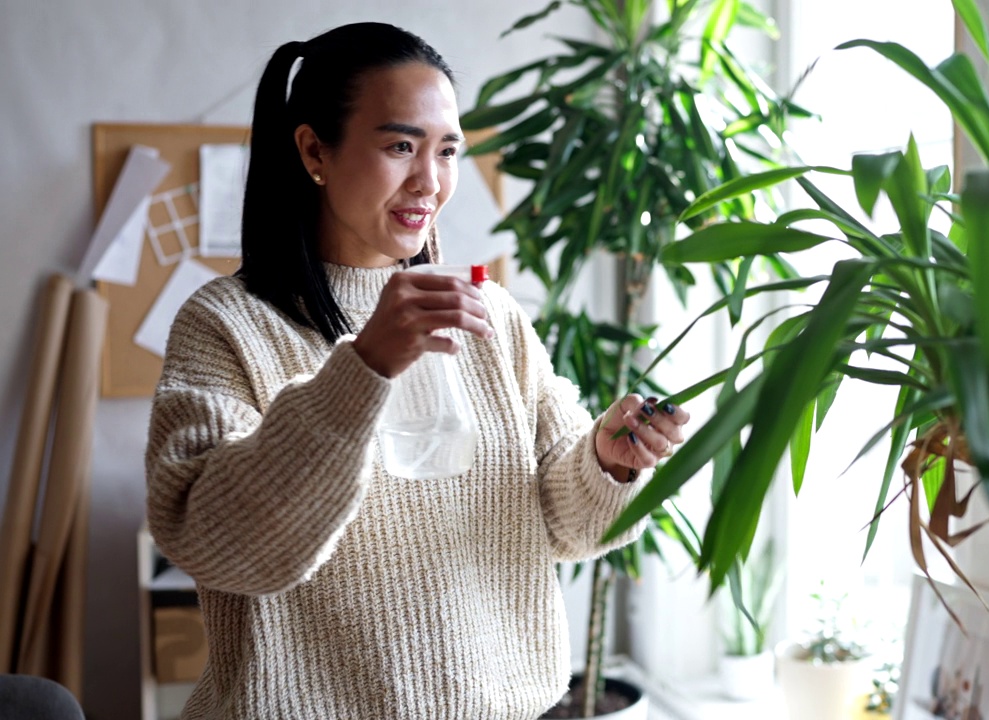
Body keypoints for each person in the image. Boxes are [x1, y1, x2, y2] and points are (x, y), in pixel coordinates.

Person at [145, 22, 690, 720]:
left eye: (448, 150)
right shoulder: (226, 324)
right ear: (314, 149)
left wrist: (607, 464)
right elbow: (220, 543)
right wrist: (365, 367)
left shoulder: (488, 314)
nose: (430, 182)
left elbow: (564, 522)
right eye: (400, 145)